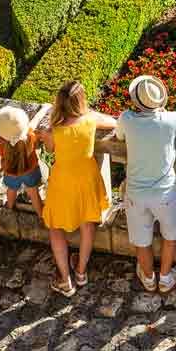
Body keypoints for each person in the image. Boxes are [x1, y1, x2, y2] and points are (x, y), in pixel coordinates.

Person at [113, 74, 176, 293]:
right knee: (170, 236)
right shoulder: (173, 119)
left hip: (136, 194)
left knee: (142, 240)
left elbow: (119, 137)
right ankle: (165, 279)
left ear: (136, 100)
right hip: (165, 193)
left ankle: (148, 279)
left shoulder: (126, 118)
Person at [39, 81, 116, 295]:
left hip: (63, 182)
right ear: (81, 101)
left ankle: (65, 280)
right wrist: (89, 113)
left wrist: (46, 135)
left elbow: (49, 148)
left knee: (55, 228)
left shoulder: (54, 130)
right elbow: (113, 123)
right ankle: (81, 272)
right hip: (87, 180)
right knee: (87, 225)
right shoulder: (90, 120)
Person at [0, 105, 45, 218]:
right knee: (34, 194)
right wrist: (45, 108)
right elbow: (36, 121)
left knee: (11, 190)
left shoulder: (1, 143)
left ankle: (9, 208)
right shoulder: (30, 136)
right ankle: (41, 216)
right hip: (30, 171)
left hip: (11, 173)